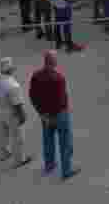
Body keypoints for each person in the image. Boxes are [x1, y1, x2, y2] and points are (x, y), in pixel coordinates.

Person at [29, 50, 80, 180]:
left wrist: (42, 113)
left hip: (45, 115)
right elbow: (60, 100)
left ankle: (49, 164)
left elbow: (32, 96)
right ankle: (66, 170)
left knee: (48, 140)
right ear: (53, 61)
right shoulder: (59, 78)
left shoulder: (36, 76)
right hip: (60, 114)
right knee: (64, 141)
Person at [0, 57, 31, 168]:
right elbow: (17, 104)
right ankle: (19, 159)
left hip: (0, 108)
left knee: (2, 133)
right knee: (17, 137)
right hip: (11, 112)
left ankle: (3, 153)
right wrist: (22, 116)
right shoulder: (13, 85)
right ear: (10, 70)